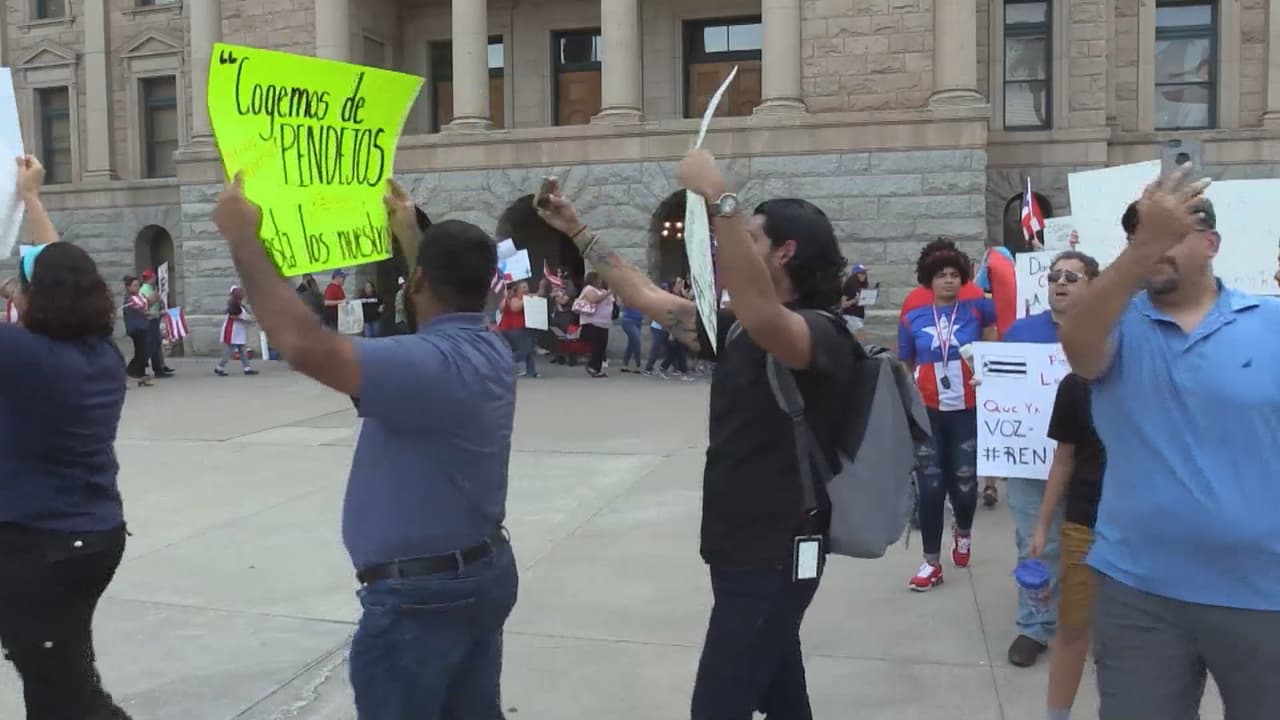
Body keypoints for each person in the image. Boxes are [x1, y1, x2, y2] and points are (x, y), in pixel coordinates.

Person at [537, 148, 854, 720]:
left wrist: (720, 199)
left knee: (718, 706)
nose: (729, 245)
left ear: (785, 252)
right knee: (782, 693)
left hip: (775, 554)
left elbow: (766, 316)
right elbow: (644, 295)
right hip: (738, 550)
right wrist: (576, 229)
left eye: (751, 238)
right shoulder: (734, 330)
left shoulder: (821, 334)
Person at [212, 174, 519, 719]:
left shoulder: (426, 366)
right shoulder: (488, 346)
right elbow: (433, 297)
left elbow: (304, 345)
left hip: (421, 602)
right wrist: (409, 232)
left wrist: (244, 241)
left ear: (419, 280)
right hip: (479, 573)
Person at [1059, 170, 1280, 719]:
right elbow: (1076, 341)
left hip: (1263, 594)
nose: (1152, 245)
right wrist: (1147, 244)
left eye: (1171, 233)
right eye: (1139, 234)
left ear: (1211, 245)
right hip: (1138, 590)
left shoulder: (1270, 324)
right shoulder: (1112, 327)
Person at [0, 154, 133, 720]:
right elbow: (54, 269)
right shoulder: (103, 353)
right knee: (60, 678)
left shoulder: (24, 356)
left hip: (42, 549)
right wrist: (30, 198)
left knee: (64, 694)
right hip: (93, 538)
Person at [1000, 250, 1100, 668]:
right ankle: (1034, 626)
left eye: (1072, 277)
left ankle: (1095, 622)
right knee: (1034, 542)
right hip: (1029, 459)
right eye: (1055, 276)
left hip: (1091, 462)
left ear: (1093, 286)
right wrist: (985, 382)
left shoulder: (1109, 331)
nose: (1060, 282)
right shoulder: (1020, 332)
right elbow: (1000, 388)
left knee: (1091, 547)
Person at [898, 238, 997, 591]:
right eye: (941, 275)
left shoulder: (979, 310)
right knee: (931, 486)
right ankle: (930, 563)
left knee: (965, 481)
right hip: (928, 411)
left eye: (955, 274)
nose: (949, 280)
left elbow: (993, 350)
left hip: (966, 409)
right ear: (929, 280)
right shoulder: (912, 317)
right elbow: (905, 365)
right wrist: (904, 407)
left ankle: (964, 531)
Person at [1029, 371, 1106, 720]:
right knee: (1073, 626)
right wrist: (1042, 527)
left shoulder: (1155, 375)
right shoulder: (1075, 386)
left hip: (1146, 524)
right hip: (1086, 522)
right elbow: (1063, 458)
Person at [214, 285, 259, 377]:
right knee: (229, 352)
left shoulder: (238, 305)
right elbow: (233, 316)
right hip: (232, 332)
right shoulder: (233, 304)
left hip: (238, 331)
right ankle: (219, 368)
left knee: (242, 351)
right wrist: (245, 320)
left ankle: (247, 368)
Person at [498, 280, 538, 378]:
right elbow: (512, 308)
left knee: (529, 349)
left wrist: (542, 286)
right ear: (517, 289)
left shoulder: (523, 297)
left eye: (527, 287)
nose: (526, 289)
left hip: (522, 327)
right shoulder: (513, 299)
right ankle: (504, 364)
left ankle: (531, 371)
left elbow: (538, 295)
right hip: (514, 328)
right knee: (524, 350)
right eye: (524, 287)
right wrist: (526, 299)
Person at [577, 272, 613, 378]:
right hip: (593, 322)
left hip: (604, 323)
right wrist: (610, 292)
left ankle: (597, 369)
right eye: (598, 279)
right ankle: (592, 366)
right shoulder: (588, 289)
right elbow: (594, 299)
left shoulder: (602, 291)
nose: (600, 281)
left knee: (601, 347)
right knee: (597, 346)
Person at [139, 268, 174, 378]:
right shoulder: (146, 289)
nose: (155, 279)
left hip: (154, 317)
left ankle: (160, 366)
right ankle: (156, 369)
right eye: (153, 277)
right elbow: (148, 302)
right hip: (151, 318)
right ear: (150, 278)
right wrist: (157, 299)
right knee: (153, 345)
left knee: (156, 343)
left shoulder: (148, 288)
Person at [122, 275, 153, 386]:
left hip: (141, 326)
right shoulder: (130, 298)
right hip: (136, 328)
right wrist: (150, 302)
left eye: (138, 285)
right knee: (141, 352)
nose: (137, 287)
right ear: (128, 287)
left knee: (142, 351)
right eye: (134, 285)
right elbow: (142, 309)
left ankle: (141, 375)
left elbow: (144, 309)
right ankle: (130, 370)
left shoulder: (137, 297)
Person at [839, 263, 869, 332]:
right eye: (861, 273)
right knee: (862, 340)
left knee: (857, 340)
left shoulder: (861, 286)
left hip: (859, 317)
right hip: (850, 317)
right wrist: (854, 300)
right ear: (855, 274)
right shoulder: (849, 285)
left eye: (864, 273)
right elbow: (842, 305)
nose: (864, 275)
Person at [619, 300, 644, 373]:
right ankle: (638, 364)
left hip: (638, 321)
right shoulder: (629, 295)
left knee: (632, 343)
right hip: (628, 320)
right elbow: (623, 305)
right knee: (637, 340)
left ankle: (625, 364)